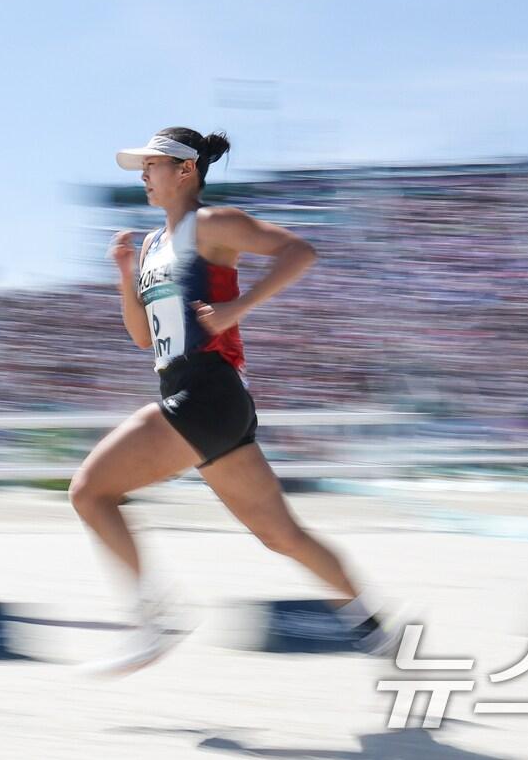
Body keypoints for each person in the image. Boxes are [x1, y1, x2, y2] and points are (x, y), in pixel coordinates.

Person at [71, 127, 397, 673]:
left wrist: (236, 309)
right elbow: (143, 338)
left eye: (152, 165)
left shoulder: (214, 224)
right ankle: (376, 631)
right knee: (281, 534)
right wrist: (126, 277)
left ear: (185, 171)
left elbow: (300, 251)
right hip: (201, 398)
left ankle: (154, 619)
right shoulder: (152, 246)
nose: (143, 176)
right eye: (141, 168)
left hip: (206, 390)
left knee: (89, 493)